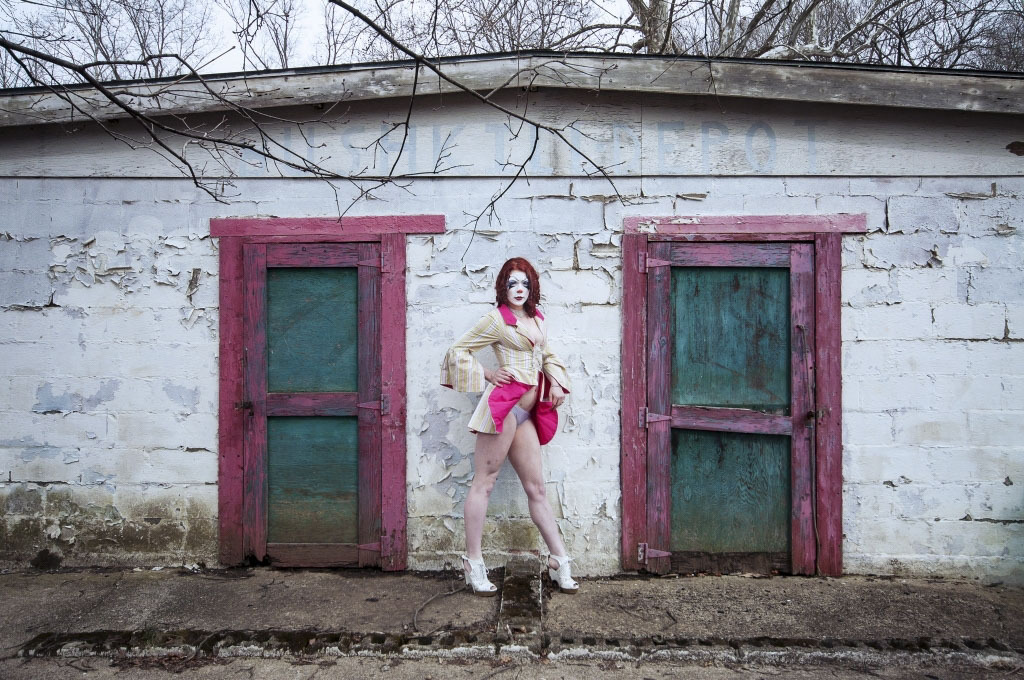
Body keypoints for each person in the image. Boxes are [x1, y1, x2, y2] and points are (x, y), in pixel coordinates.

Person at [440, 257, 579, 596]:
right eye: (512, 283)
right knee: (484, 483)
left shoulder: (537, 318)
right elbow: (458, 351)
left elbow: (546, 355)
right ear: (503, 287)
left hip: (527, 412)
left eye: (525, 284)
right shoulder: (496, 320)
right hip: (503, 408)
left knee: (537, 488)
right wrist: (488, 373)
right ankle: (473, 562)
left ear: (532, 288)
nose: (519, 289)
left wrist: (556, 382)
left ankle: (559, 560)